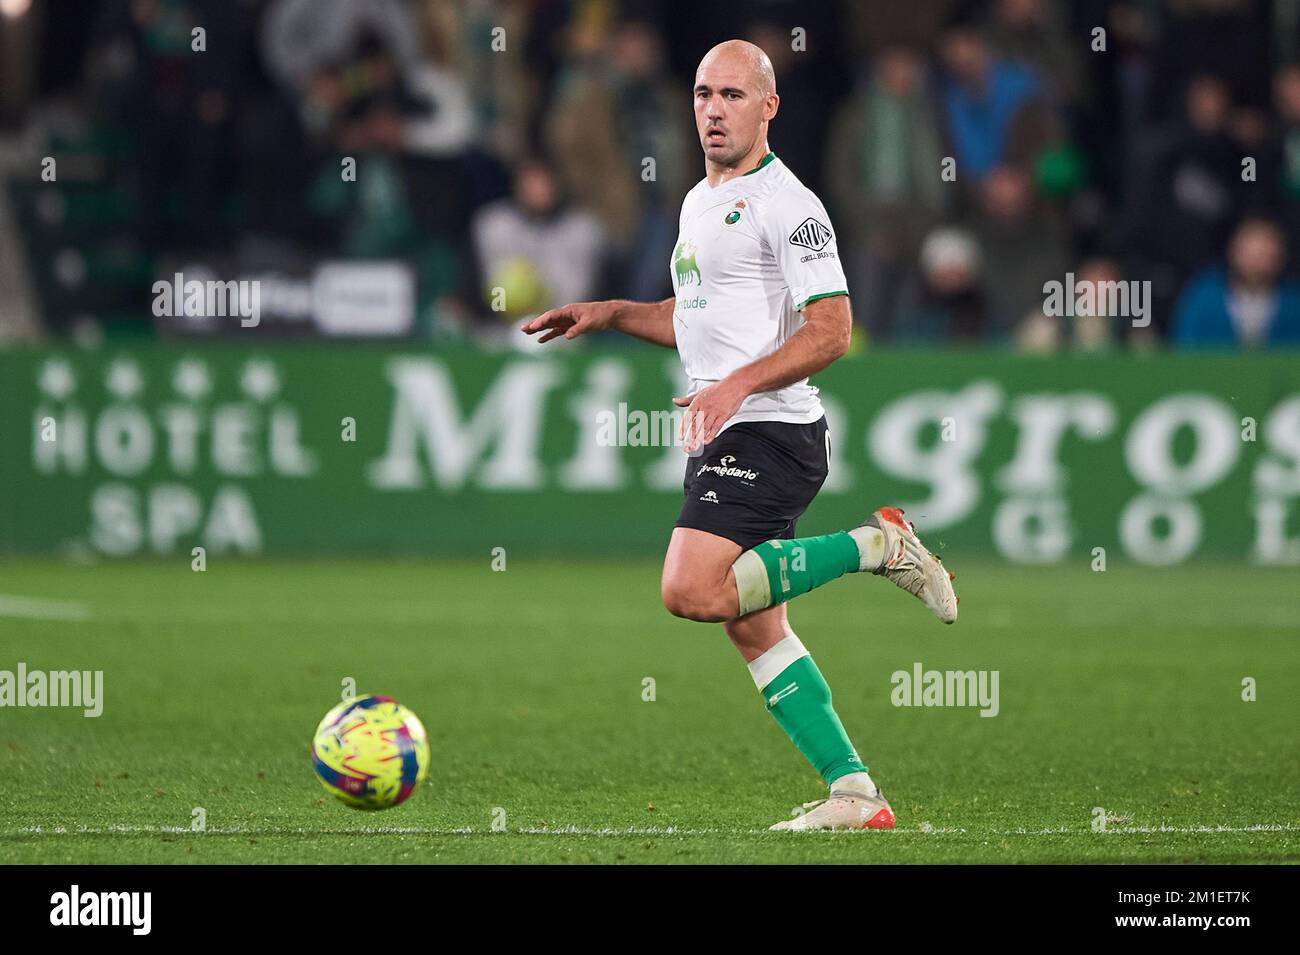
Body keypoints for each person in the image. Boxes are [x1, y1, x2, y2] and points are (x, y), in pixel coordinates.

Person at [522, 40, 958, 832]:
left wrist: (737, 384)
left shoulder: (790, 204)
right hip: (730, 429)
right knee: (752, 622)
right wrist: (612, 312)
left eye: (730, 94)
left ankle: (879, 546)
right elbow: (692, 320)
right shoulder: (697, 199)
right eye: (701, 94)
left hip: (772, 433)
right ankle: (855, 793)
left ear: (769, 106)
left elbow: (833, 329)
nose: (712, 110)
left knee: (689, 589)